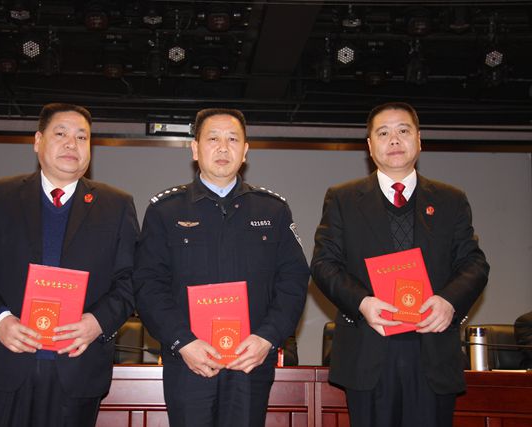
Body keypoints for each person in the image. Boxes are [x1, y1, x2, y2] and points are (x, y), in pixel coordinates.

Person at [0, 103, 139, 427]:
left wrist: (97, 322)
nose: (72, 144)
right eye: (61, 134)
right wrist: (0, 322)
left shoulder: (116, 205)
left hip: (77, 369)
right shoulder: (0, 196)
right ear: (38, 141)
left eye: (82, 137)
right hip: (6, 364)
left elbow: (131, 279)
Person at [311, 102, 489, 427]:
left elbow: (474, 264)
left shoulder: (450, 199)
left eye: (403, 131)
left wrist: (449, 302)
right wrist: (362, 303)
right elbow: (324, 264)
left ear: (419, 140)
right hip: (368, 351)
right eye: (383, 133)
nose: (394, 140)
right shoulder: (343, 199)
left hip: (432, 352)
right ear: (370, 146)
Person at [134, 108, 309, 427]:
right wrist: (182, 342)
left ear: (246, 150)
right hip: (188, 362)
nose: (223, 148)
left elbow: (293, 282)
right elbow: (148, 285)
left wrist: (267, 338)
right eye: (213, 139)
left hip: (250, 363)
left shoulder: (273, 210)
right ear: (195, 148)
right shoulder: (165, 211)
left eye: (233, 139)